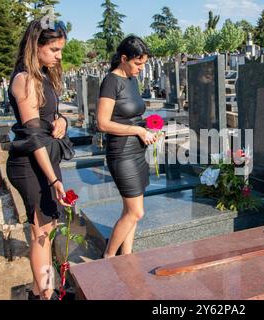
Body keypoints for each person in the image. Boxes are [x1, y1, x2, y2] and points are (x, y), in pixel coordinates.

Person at [6, 20, 70, 300]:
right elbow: (32, 138)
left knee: (49, 228)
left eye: (61, 50)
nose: (59, 56)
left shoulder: (43, 75)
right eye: (54, 49)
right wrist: (54, 179)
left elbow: (48, 116)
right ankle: (47, 292)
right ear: (36, 46)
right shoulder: (25, 79)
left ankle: (39, 291)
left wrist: (63, 121)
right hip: (30, 164)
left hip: (44, 160)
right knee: (41, 232)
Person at [97, 36, 157, 258]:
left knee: (130, 211)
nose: (141, 68)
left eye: (143, 63)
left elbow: (131, 115)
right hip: (121, 153)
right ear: (124, 58)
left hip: (138, 150)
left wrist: (148, 128)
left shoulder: (132, 80)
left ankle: (127, 256)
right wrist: (138, 131)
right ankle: (109, 257)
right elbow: (102, 123)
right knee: (136, 212)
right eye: (137, 63)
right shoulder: (111, 81)